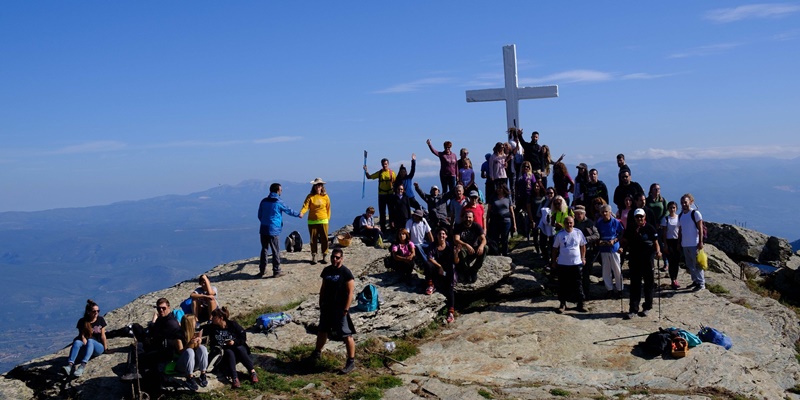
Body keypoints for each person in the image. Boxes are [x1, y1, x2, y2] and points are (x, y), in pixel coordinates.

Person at [305, 248, 357, 374]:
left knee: (346, 334)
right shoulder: (326, 270)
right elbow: (323, 288)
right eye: (333, 257)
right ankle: (316, 353)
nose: (334, 259)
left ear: (342, 258)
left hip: (340, 308)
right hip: (327, 307)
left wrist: (346, 308)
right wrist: (321, 302)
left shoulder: (346, 273)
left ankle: (351, 361)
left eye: (337, 257)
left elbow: (350, 293)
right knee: (322, 330)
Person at [623, 208, 661, 319]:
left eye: (641, 216)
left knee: (649, 284)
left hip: (648, 259)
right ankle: (633, 309)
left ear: (644, 217)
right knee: (635, 284)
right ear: (634, 218)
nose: (639, 218)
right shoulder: (630, 228)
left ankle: (647, 307)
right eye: (637, 217)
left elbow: (656, 242)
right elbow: (625, 241)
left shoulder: (650, 228)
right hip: (634, 259)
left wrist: (658, 251)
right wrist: (621, 248)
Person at [258, 183, 302, 277]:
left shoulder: (263, 201)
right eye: (281, 190)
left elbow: (260, 215)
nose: (281, 191)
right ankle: (276, 271)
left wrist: (264, 222)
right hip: (273, 229)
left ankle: (262, 270)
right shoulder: (278, 202)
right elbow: (288, 210)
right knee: (275, 250)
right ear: (278, 191)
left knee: (264, 249)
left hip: (263, 228)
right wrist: (298, 214)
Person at [207, 307, 257, 388]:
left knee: (239, 348)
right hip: (223, 353)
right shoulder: (212, 328)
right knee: (229, 352)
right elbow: (211, 342)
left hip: (238, 351)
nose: (212, 318)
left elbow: (243, 337)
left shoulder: (232, 325)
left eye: (214, 317)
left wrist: (234, 342)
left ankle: (252, 371)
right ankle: (235, 378)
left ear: (221, 318)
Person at [136, 298, 183, 378]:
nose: (161, 310)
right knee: (137, 345)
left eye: (163, 308)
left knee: (141, 355)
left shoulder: (171, 323)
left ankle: (140, 374)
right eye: (159, 308)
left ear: (168, 307)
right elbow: (154, 331)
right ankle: (134, 371)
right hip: (159, 346)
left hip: (166, 351)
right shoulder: (162, 319)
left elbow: (160, 337)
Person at [551, 216, 588, 313]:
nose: (569, 225)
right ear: (564, 224)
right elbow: (555, 248)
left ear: (573, 223)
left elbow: (583, 245)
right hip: (563, 263)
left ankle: (581, 303)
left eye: (571, 223)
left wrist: (583, 258)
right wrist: (554, 261)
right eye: (567, 223)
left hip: (576, 263)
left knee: (578, 283)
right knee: (563, 284)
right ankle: (562, 303)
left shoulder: (578, 232)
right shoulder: (560, 234)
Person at [63, 299, 108, 377]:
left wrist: (106, 348)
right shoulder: (82, 321)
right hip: (87, 346)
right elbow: (82, 335)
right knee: (77, 342)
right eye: (94, 311)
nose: (96, 313)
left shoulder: (100, 320)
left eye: (98, 311)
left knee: (90, 340)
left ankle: (82, 365)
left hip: (98, 347)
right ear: (89, 312)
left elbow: (103, 335)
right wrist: (83, 340)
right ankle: (70, 365)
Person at [425, 227, 458, 323]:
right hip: (437, 270)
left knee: (449, 289)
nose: (441, 236)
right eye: (440, 234)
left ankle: (451, 312)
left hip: (447, 272)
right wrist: (439, 266)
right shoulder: (432, 246)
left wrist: (456, 254)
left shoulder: (450, 246)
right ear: (436, 235)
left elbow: (456, 262)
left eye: (443, 234)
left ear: (446, 236)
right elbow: (429, 258)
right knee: (427, 264)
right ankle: (431, 284)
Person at [300, 178, 332, 265]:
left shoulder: (325, 197)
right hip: (312, 221)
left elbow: (328, 208)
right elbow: (306, 206)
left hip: (323, 220)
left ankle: (325, 254)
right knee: (313, 239)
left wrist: (327, 219)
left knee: (324, 238)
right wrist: (302, 213)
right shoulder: (310, 196)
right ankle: (314, 255)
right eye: (317, 185)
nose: (318, 186)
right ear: (314, 186)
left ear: (322, 186)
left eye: (320, 185)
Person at [596, 205, 625, 297]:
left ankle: (620, 289)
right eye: (602, 212)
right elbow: (597, 234)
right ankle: (609, 289)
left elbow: (621, 233)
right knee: (606, 270)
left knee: (617, 269)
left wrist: (615, 240)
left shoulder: (615, 222)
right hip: (604, 249)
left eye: (606, 212)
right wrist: (599, 241)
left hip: (614, 248)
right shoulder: (599, 223)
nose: (604, 214)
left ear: (610, 212)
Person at [679, 193, 705, 291]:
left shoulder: (695, 213)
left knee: (697, 265)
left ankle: (701, 283)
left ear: (690, 202)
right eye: (682, 203)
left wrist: (701, 242)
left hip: (695, 243)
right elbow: (681, 230)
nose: (684, 204)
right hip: (685, 244)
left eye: (685, 202)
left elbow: (700, 228)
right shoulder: (681, 215)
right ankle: (695, 281)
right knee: (690, 265)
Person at [176, 314, 208, 391]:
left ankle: (203, 374)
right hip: (182, 364)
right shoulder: (179, 335)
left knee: (202, 348)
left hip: (194, 364)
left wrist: (198, 343)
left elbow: (197, 349)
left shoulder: (195, 332)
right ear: (190, 323)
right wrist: (189, 344)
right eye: (194, 321)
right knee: (189, 351)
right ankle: (189, 378)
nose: (196, 322)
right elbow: (180, 352)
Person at [453, 210, 487, 284]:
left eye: (470, 217)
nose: (468, 219)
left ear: (473, 218)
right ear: (463, 218)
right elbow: (456, 239)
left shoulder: (476, 226)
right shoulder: (458, 227)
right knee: (461, 250)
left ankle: (474, 270)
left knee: (485, 248)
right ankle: (466, 271)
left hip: (474, 250)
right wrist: (466, 245)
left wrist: (481, 246)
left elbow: (484, 239)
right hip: (464, 250)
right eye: (466, 217)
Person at [573, 205, 599, 298]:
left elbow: (597, 235)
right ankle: (576, 294)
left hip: (588, 252)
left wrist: (585, 239)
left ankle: (586, 293)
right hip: (575, 252)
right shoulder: (572, 223)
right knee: (576, 274)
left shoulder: (590, 223)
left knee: (586, 274)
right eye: (577, 214)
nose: (578, 215)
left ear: (584, 214)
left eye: (580, 214)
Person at [364, 158, 395, 231]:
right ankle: (383, 228)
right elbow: (369, 177)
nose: (385, 165)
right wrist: (366, 171)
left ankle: (392, 226)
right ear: (382, 165)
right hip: (382, 194)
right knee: (382, 211)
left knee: (391, 211)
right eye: (383, 164)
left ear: (388, 164)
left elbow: (396, 182)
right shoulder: (380, 173)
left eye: (386, 164)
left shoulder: (392, 173)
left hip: (390, 194)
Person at [486, 182, 516, 256]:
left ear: (503, 189)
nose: (498, 190)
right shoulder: (493, 198)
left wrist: (514, 224)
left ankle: (505, 253)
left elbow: (512, 211)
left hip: (506, 221)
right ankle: (496, 253)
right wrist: (486, 223)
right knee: (495, 238)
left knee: (504, 239)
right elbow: (489, 211)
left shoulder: (508, 198)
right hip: (495, 220)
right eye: (497, 188)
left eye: (500, 188)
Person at [661, 201, 681, 289]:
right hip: (669, 242)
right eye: (670, 208)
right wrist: (665, 244)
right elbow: (664, 232)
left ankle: (675, 278)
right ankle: (673, 279)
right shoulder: (665, 219)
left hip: (677, 241)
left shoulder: (679, 218)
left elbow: (680, 231)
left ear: (676, 208)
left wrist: (679, 243)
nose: (672, 209)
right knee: (671, 261)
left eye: (674, 207)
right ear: (668, 209)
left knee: (676, 262)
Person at [515, 161, 537, 240]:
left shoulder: (531, 175)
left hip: (529, 195)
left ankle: (531, 223)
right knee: (516, 211)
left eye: (527, 167)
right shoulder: (520, 176)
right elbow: (516, 186)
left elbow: (534, 185)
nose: (526, 168)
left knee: (529, 210)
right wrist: (516, 196)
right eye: (524, 166)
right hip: (521, 196)